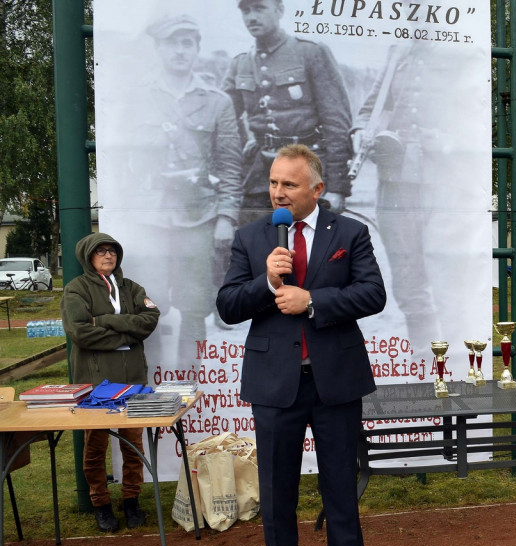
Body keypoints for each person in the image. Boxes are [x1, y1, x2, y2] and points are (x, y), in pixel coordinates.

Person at [216, 144, 387, 546]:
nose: (278, 192)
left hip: (335, 380)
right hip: (275, 385)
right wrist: (267, 284)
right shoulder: (251, 238)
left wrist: (313, 299)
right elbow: (228, 305)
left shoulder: (349, 232)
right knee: (277, 492)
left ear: (317, 189)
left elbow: (372, 293)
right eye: (273, 182)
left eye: (289, 184)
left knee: (340, 482)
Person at [129, 14, 242, 361]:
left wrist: (226, 215)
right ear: (158, 48)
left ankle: (192, 384)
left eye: (187, 43)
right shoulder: (138, 97)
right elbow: (123, 162)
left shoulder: (217, 101)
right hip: (150, 218)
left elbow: (230, 165)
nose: (180, 51)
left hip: (198, 216)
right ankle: (153, 381)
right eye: (172, 43)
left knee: (195, 306)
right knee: (149, 303)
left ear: (196, 49)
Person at [61, 233, 160, 532]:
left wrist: (103, 320)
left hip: (132, 379)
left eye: (112, 251)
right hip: (95, 382)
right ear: (88, 256)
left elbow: (150, 319)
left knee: (133, 443)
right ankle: (100, 502)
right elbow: (79, 332)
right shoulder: (75, 290)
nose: (108, 256)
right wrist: (128, 332)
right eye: (101, 251)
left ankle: (131, 499)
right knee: (95, 445)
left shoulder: (131, 288)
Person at [349, 43, 447, 340]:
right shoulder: (397, 53)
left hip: (444, 184)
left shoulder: (456, 56)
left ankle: (454, 354)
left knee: (446, 276)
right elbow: (369, 109)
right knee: (406, 276)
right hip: (395, 180)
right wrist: (359, 134)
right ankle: (425, 360)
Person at [223, 0, 353, 222]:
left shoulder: (311, 53)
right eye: (246, 11)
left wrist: (338, 187)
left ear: (280, 10)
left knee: (308, 253)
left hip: (307, 170)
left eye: (259, 8)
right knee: (258, 250)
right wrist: (247, 145)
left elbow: (336, 123)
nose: (251, 17)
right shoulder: (240, 64)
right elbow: (224, 120)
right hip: (261, 176)